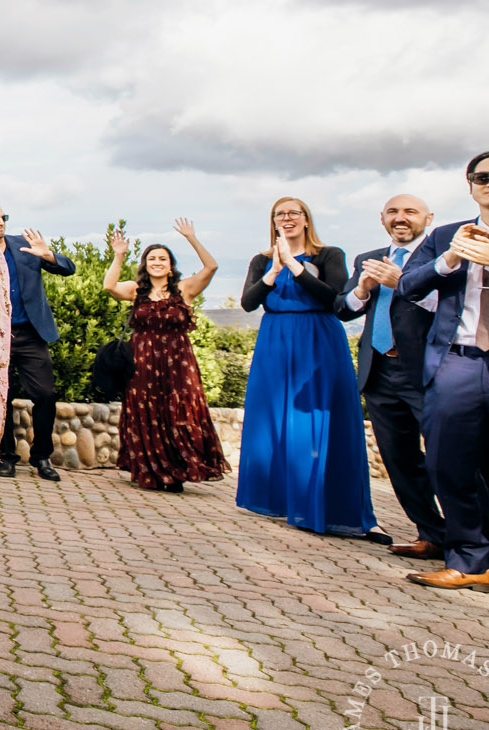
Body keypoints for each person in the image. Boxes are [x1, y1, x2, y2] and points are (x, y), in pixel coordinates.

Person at [399, 152, 489, 616]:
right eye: (483, 177)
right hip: (455, 366)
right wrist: (446, 260)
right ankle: (471, 560)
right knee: (449, 467)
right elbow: (408, 287)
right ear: (470, 186)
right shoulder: (445, 235)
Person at [236, 197, 376, 537]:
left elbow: (334, 298)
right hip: (275, 341)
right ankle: (282, 498)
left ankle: (321, 503)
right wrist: (273, 272)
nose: (286, 218)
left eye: (293, 213)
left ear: (306, 220)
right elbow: (248, 303)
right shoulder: (261, 260)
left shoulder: (329, 255)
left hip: (318, 338)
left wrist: (296, 268)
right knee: (274, 421)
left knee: (316, 420)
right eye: (279, 214)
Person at [336, 194, 464, 560]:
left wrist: (404, 281)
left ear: (429, 218)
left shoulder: (441, 258)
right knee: (400, 461)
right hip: (379, 371)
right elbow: (342, 309)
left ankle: (478, 544)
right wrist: (361, 290)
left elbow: (452, 310)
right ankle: (432, 534)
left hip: (429, 371)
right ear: (382, 219)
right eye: (393, 211)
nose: (401, 218)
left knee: (451, 459)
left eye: (410, 212)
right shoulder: (367, 259)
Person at [102, 222, 226, 492]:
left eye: (162, 259)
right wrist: (119, 254)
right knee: (144, 412)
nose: (157, 262)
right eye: (151, 259)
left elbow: (211, 267)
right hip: (142, 361)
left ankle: (178, 470)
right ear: (145, 265)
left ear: (171, 265)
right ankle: (151, 470)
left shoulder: (185, 290)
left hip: (178, 362)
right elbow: (109, 285)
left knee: (180, 414)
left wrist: (192, 237)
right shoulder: (137, 291)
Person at [0, 201, 74, 481]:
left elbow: (68, 268)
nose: (1, 223)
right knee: (1, 397)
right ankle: (6, 457)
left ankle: (42, 457)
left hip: (30, 334)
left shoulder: (24, 246)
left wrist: (50, 256)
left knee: (45, 395)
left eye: (3, 217)